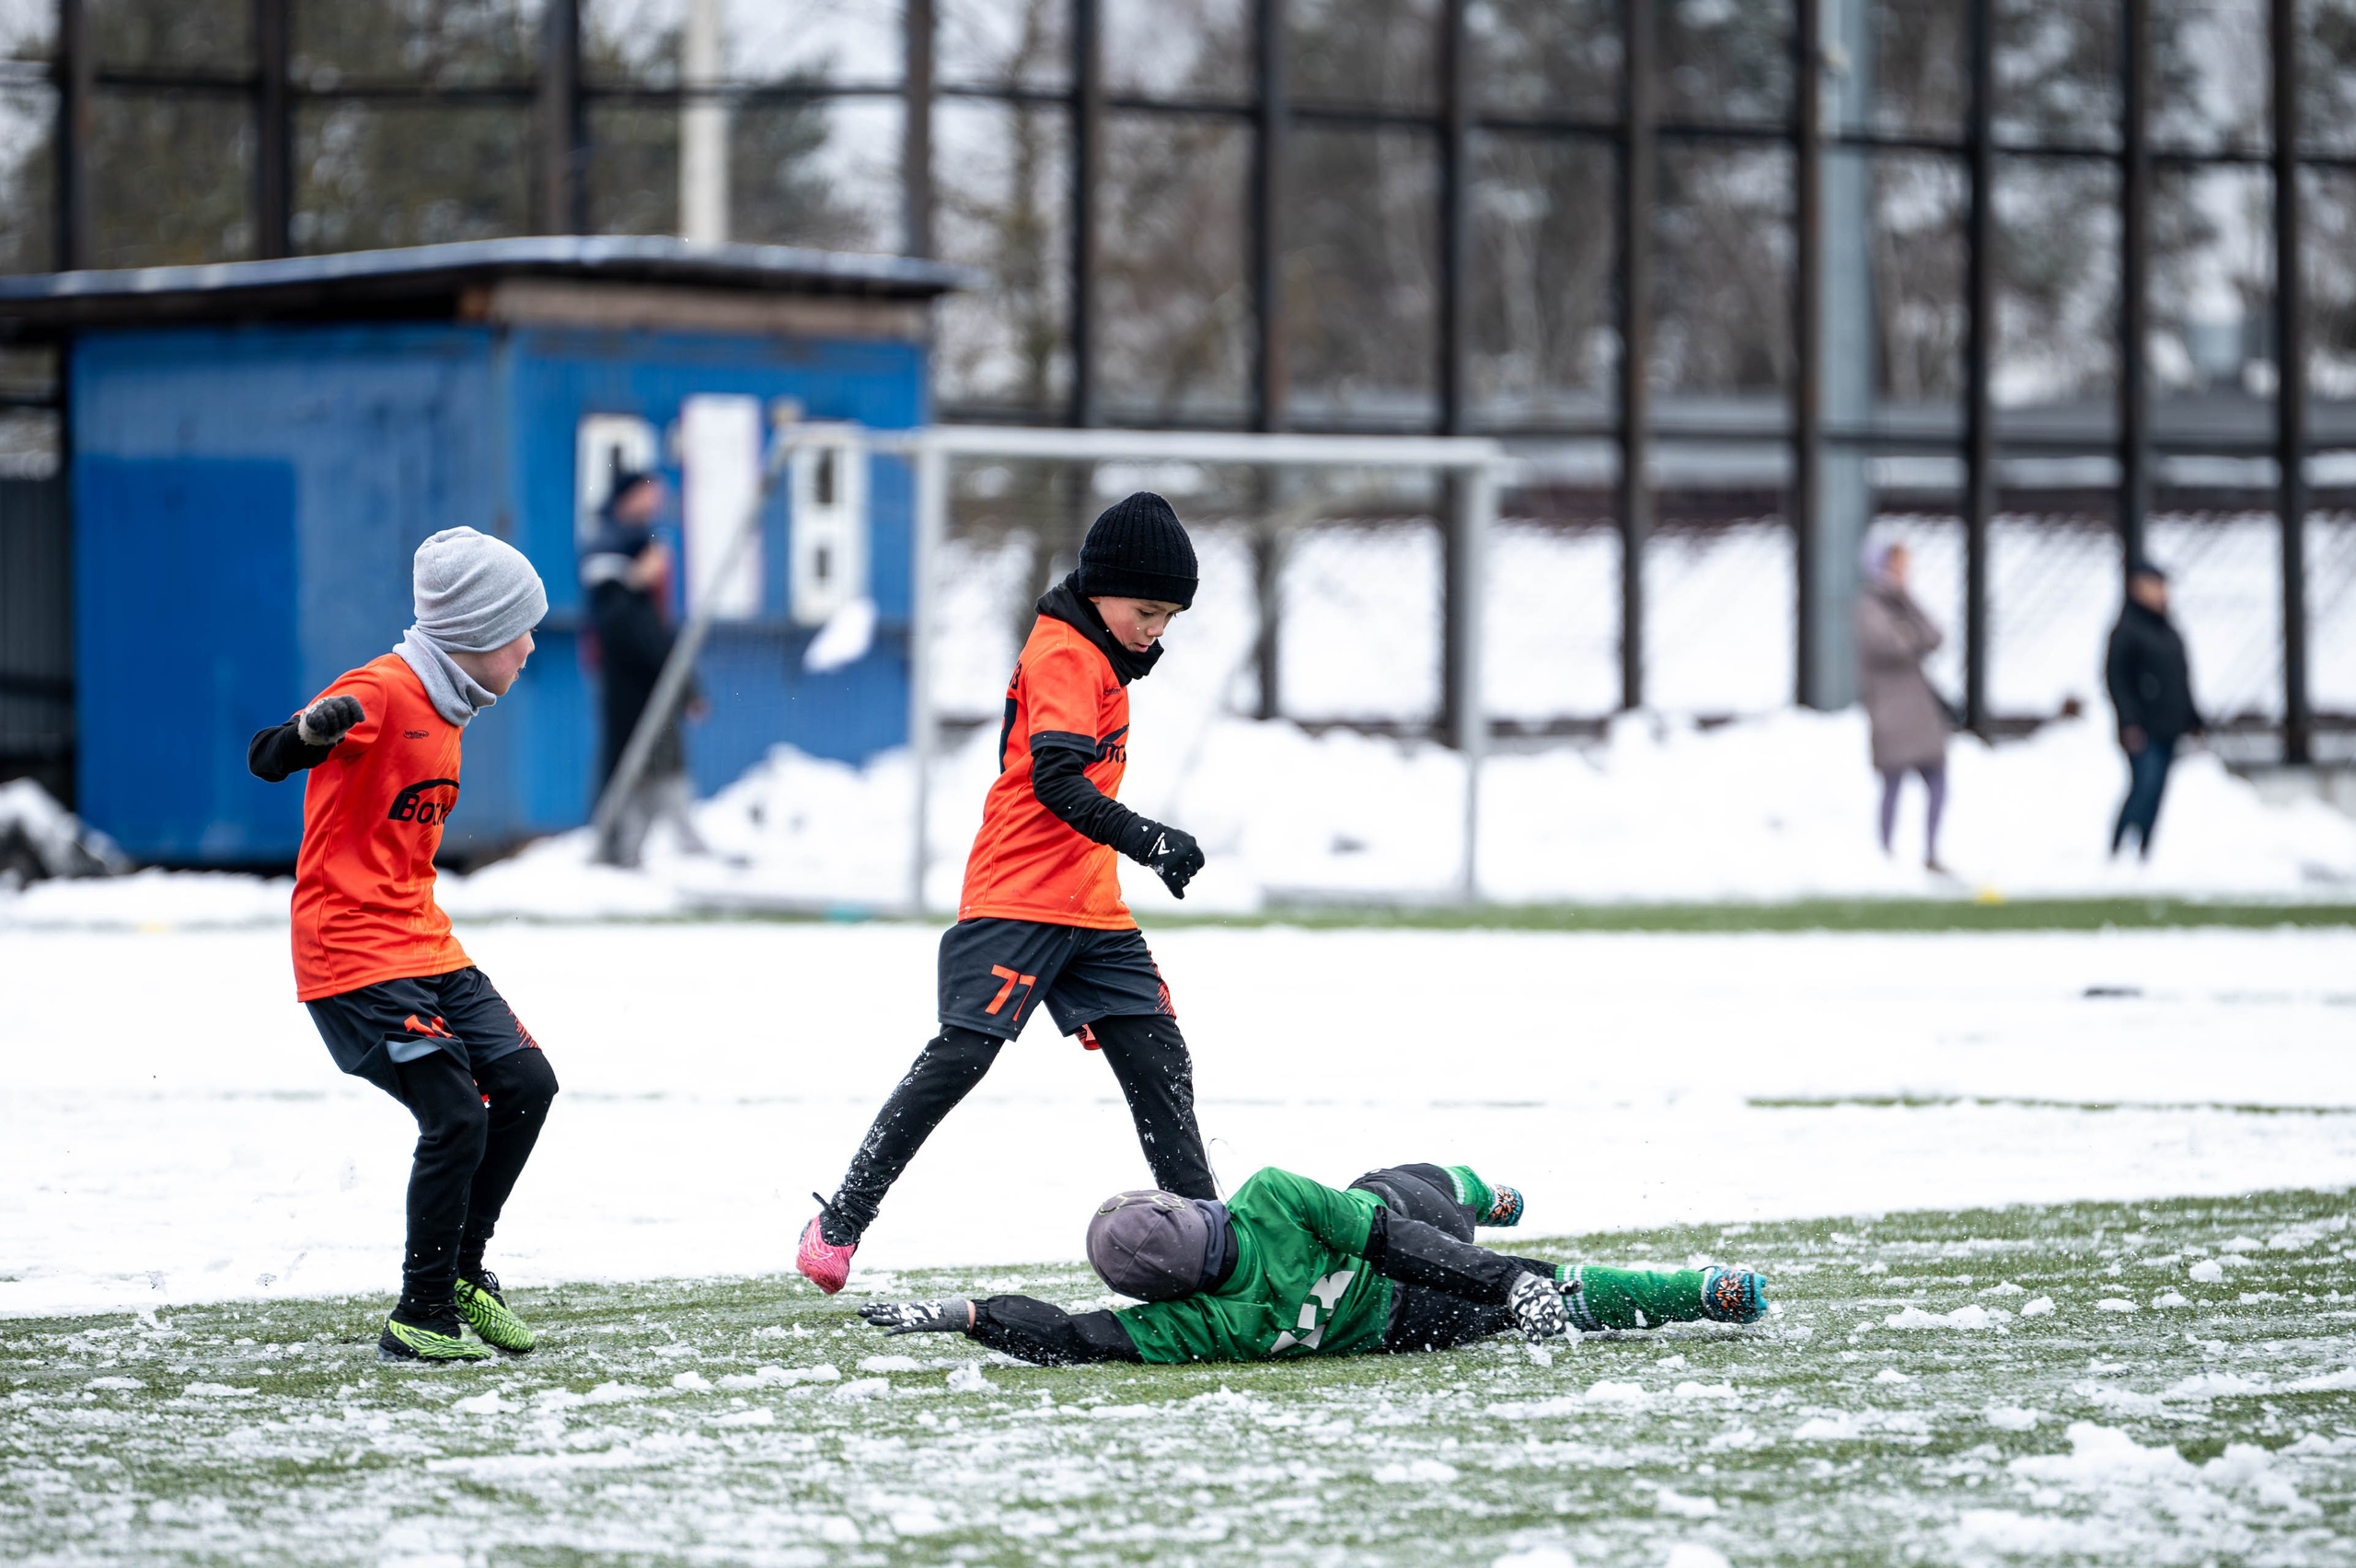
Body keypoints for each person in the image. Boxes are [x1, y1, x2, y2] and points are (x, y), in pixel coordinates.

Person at [796, 491, 1216, 1294]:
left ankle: (1210, 1234)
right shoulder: (1065, 651)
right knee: (961, 1057)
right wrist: (1148, 840)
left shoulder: (1105, 655)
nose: (1155, 630)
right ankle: (842, 1218)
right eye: (1147, 611)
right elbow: (1057, 780)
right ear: (1101, 592)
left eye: (1169, 618)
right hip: (1017, 896)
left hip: (1091, 907)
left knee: (1159, 1058)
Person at [247, 526, 560, 1364]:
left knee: (528, 1081)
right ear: (475, 634)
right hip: (349, 955)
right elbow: (267, 757)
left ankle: (463, 1273)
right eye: (520, 629)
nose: (531, 645)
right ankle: (420, 1312)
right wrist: (311, 734)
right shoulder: (384, 689)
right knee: (455, 1113)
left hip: (424, 943)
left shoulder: (451, 700)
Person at [857, 1162, 1769, 1365]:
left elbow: (1073, 1335)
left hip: (1398, 1323)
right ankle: (1702, 1290)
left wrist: (970, 1313)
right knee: (1404, 1187)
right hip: (1412, 1251)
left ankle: (1702, 1294)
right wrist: (1505, 1278)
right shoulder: (1272, 1198)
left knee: (1545, 1289)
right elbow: (1390, 1235)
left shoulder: (1196, 1322)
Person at [581, 470, 708, 869]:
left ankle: (644, 844)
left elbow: (653, 626)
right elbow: (627, 624)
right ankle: (617, 847)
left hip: (649, 673)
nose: (654, 503)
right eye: (647, 494)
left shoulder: (642, 539)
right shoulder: (611, 545)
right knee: (630, 759)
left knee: (660, 758)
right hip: (624, 677)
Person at [1856, 538, 1951, 873]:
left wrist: (1907, 602)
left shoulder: (1903, 603)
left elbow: (1935, 636)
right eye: (1896, 565)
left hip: (1920, 712)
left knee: (1938, 779)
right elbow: (1894, 645)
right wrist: (1910, 633)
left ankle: (1932, 851)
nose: (1903, 572)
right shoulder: (1869, 606)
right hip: (1891, 711)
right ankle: (1885, 853)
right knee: (1892, 784)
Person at [2105, 558, 2203, 859]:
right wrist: (2129, 721)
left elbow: (2182, 679)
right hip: (2142, 727)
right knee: (2143, 787)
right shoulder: (2127, 631)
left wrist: (2193, 718)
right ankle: (2118, 849)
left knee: (2158, 791)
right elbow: (2117, 680)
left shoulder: (2168, 631)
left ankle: (2145, 853)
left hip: (2169, 725)